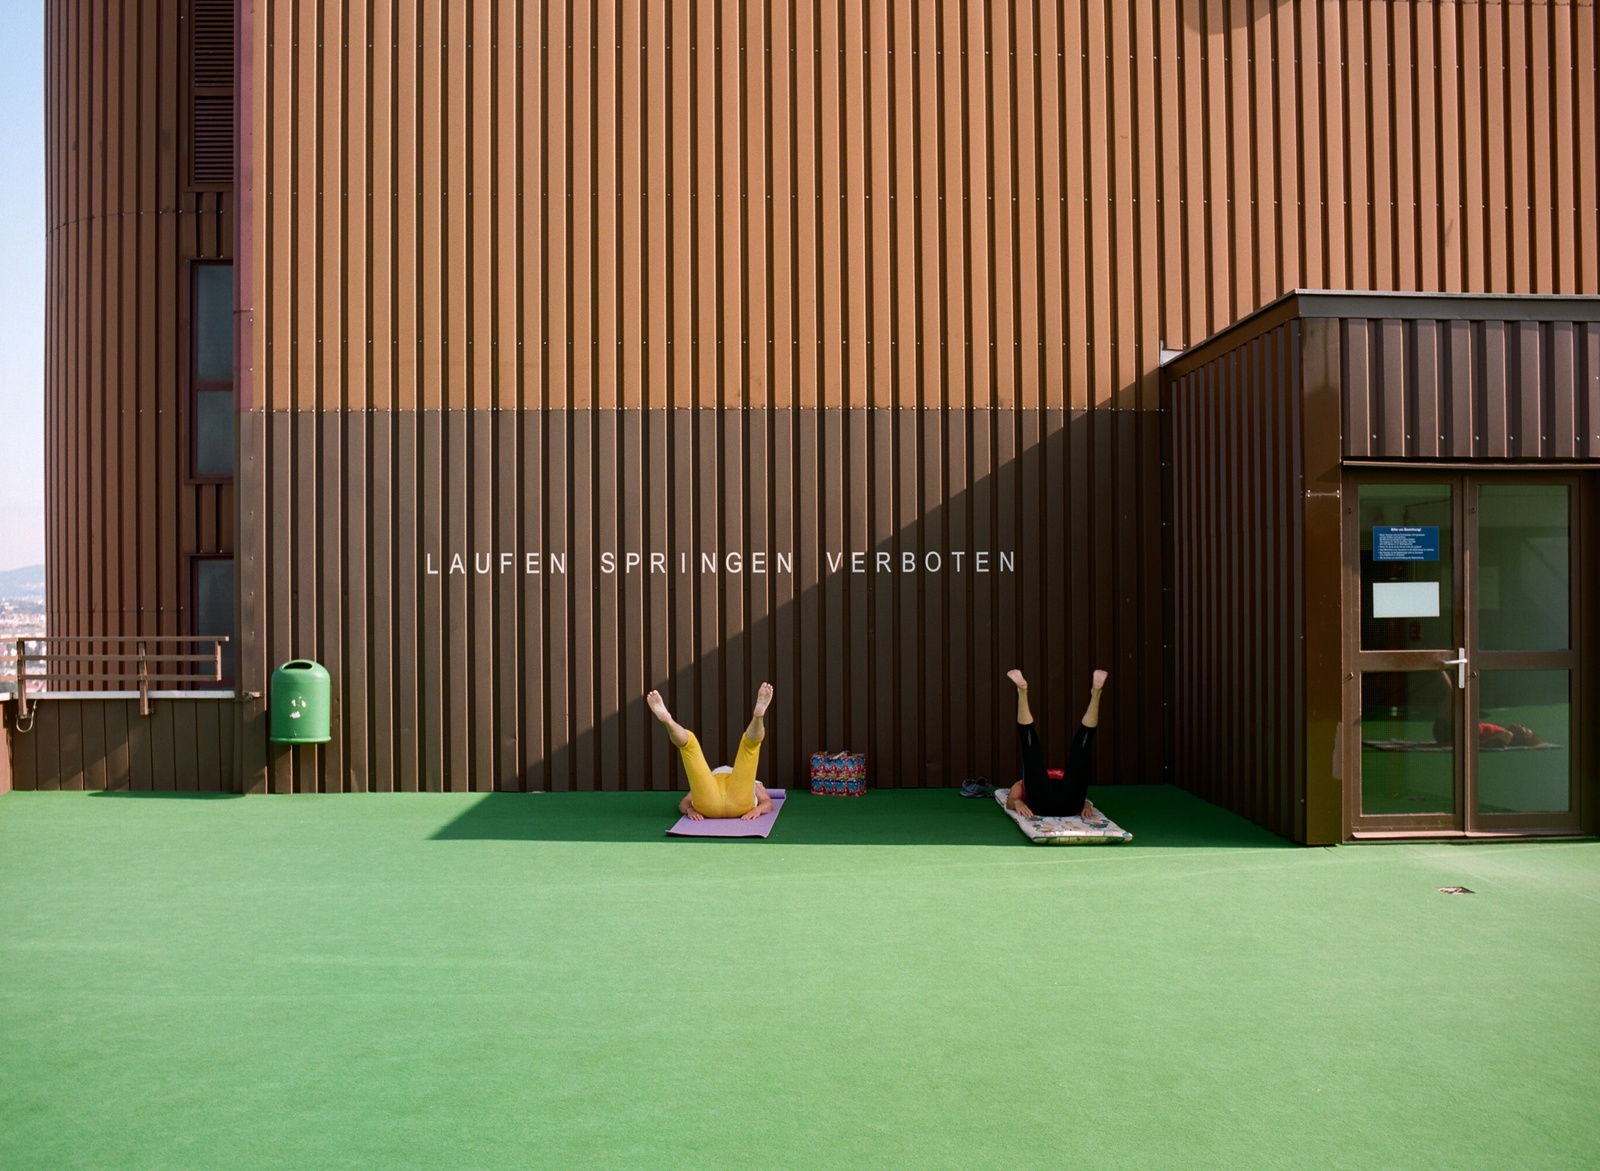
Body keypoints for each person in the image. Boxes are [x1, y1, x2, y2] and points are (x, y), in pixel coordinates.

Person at [647, 683, 776, 820]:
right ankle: (758, 717)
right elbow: (768, 803)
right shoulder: (751, 782)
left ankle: (669, 721)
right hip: (739, 805)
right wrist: (758, 809)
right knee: (750, 748)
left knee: (689, 745)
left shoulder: (710, 777)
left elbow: (683, 804)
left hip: (709, 807)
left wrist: (690, 810)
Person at [1005, 668, 1107, 819]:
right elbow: (1010, 801)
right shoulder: (1025, 782)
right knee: (1080, 748)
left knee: (1033, 747)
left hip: (1052, 805)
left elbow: (1079, 789)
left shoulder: (1053, 778)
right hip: (1060, 805)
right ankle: (1096, 693)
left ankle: (1022, 691)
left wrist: (1086, 804)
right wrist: (1017, 802)